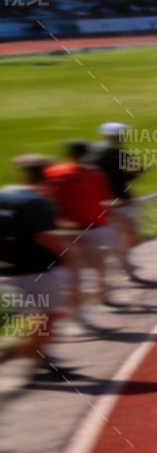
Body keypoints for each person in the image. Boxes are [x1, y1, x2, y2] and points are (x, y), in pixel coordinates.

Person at [0, 155, 71, 378]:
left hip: (7, 269)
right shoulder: (37, 203)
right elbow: (46, 237)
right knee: (48, 317)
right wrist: (66, 257)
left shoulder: (4, 194)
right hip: (36, 270)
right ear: (47, 177)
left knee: (28, 316)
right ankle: (21, 353)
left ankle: (40, 359)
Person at [46, 140, 116, 319]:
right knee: (98, 267)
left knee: (74, 274)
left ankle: (79, 311)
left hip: (69, 230)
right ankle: (98, 295)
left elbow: (48, 201)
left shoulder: (53, 173)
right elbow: (104, 199)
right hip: (94, 228)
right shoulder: (96, 175)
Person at [88, 122, 143, 283]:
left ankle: (117, 265)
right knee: (130, 235)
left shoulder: (94, 150)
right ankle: (123, 264)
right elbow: (131, 172)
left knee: (110, 236)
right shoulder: (117, 152)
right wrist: (138, 172)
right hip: (120, 199)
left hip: (101, 201)